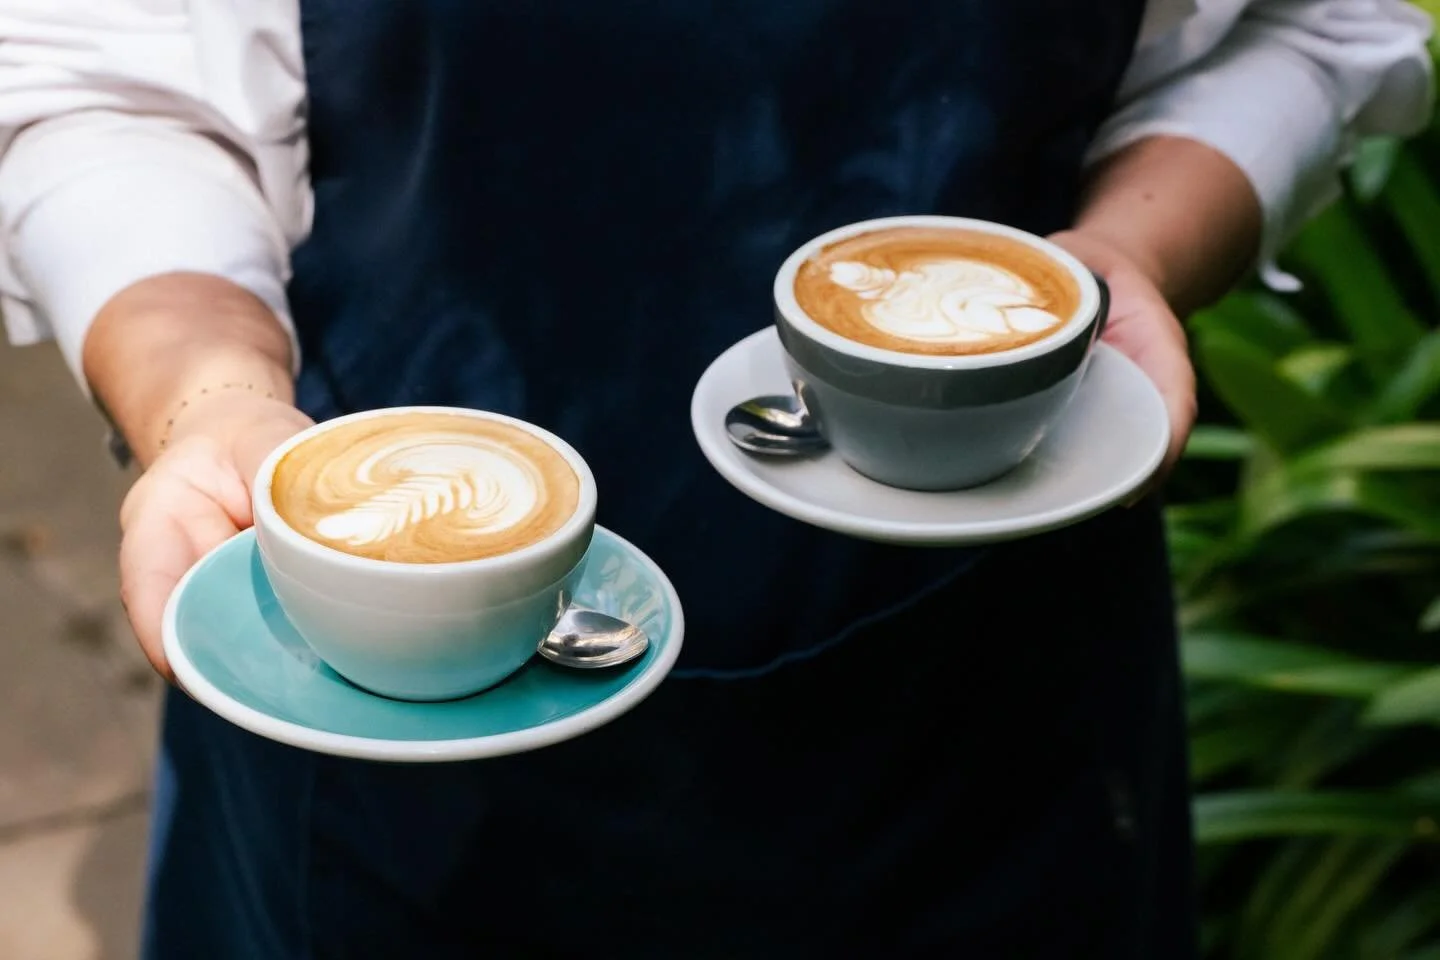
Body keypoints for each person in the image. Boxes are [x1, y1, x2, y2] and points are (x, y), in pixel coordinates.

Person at [0, 1, 1431, 956]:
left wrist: (1134, 253)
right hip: (370, 694)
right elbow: (97, 83)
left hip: (986, 712)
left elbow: (1313, 24)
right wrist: (209, 394)